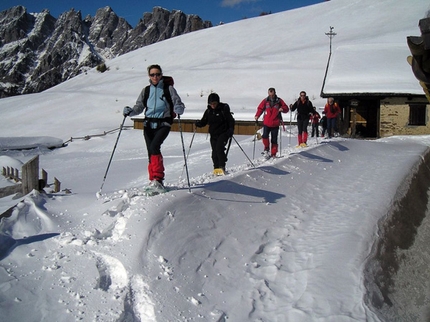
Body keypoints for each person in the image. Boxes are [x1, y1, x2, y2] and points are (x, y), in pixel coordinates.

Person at [123, 64, 185, 188]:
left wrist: (179, 109)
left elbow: (178, 103)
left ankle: (158, 178)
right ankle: (153, 180)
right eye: (152, 75)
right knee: (150, 151)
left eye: (157, 74)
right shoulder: (146, 90)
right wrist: (131, 111)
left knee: (154, 147)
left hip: (164, 123)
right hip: (148, 124)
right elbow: (139, 106)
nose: (155, 77)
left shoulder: (169, 89)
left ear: (161, 74)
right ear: (149, 76)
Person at [195, 93, 235, 175]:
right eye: (211, 104)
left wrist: (231, 129)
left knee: (219, 149)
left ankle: (222, 167)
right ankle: (216, 168)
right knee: (214, 153)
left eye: (214, 103)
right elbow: (204, 121)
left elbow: (231, 121)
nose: (213, 105)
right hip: (213, 134)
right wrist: (199, 123)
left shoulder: (223, 109)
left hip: (224, 132)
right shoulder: (209, 111)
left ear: (218, 102)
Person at [254, 88, 289, 158]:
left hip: (275, 123)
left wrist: (282, 109)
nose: (271, 96)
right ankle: (266, 149)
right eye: (270, 94)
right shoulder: (265, 101)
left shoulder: (279, 101)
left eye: (272, 95)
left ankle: (273, 153)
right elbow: (260, 108)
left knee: (274, 139)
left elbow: (286, 108)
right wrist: (257, 115)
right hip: (267, 122)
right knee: (264, 136)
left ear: (275, 93)